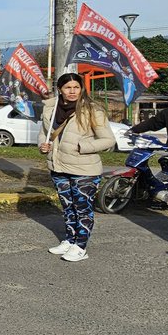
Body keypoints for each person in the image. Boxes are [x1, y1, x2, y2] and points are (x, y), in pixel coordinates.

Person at [38, 73, 115, 262]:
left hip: (85, 169)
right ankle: (70, 240)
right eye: (68, 88)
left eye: (76, 87)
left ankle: (81, 246)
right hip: (59, 166)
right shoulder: (51, 108)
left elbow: (108, 140)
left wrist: (83, 146)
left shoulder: (92, 110)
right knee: (67, 207)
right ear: (60, 89)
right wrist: (43, 145)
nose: (72, 91)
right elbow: (43, 133)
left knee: (82, 208)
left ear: (82, 89)